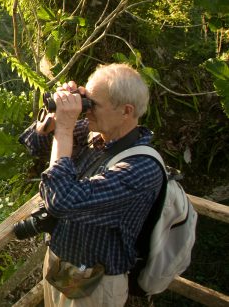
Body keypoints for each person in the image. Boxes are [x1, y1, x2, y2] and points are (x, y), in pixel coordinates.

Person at [19, 63, 164, 306]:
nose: (87, 111)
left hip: (95, 287)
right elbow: (35, 144)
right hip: (59, 267)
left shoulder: (141, 169)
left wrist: (65, 129)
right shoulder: (95, 132)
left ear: (126, 111)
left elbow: (61, 200)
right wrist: (55, 116)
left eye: (93, 104)